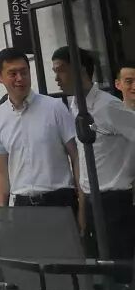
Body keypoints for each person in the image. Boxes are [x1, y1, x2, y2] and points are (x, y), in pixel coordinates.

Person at [52, 46, 135, 261]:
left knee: (119, 266)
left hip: (115, 201)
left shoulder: (108, 106)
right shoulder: (75, 106)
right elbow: (83, 156)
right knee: (95, 264)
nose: (57, 78)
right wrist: (82, 207)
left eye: (61, 70)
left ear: (80, 69)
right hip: (90, 200)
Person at [0, 48, 81, 215]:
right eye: (13, 74)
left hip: (59, 200)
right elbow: (0, 170)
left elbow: (76, 156)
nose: (20, 78)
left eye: (24, 72)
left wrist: (82, 203)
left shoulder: (54, 108)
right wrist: (2, 213)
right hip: (23, 205)